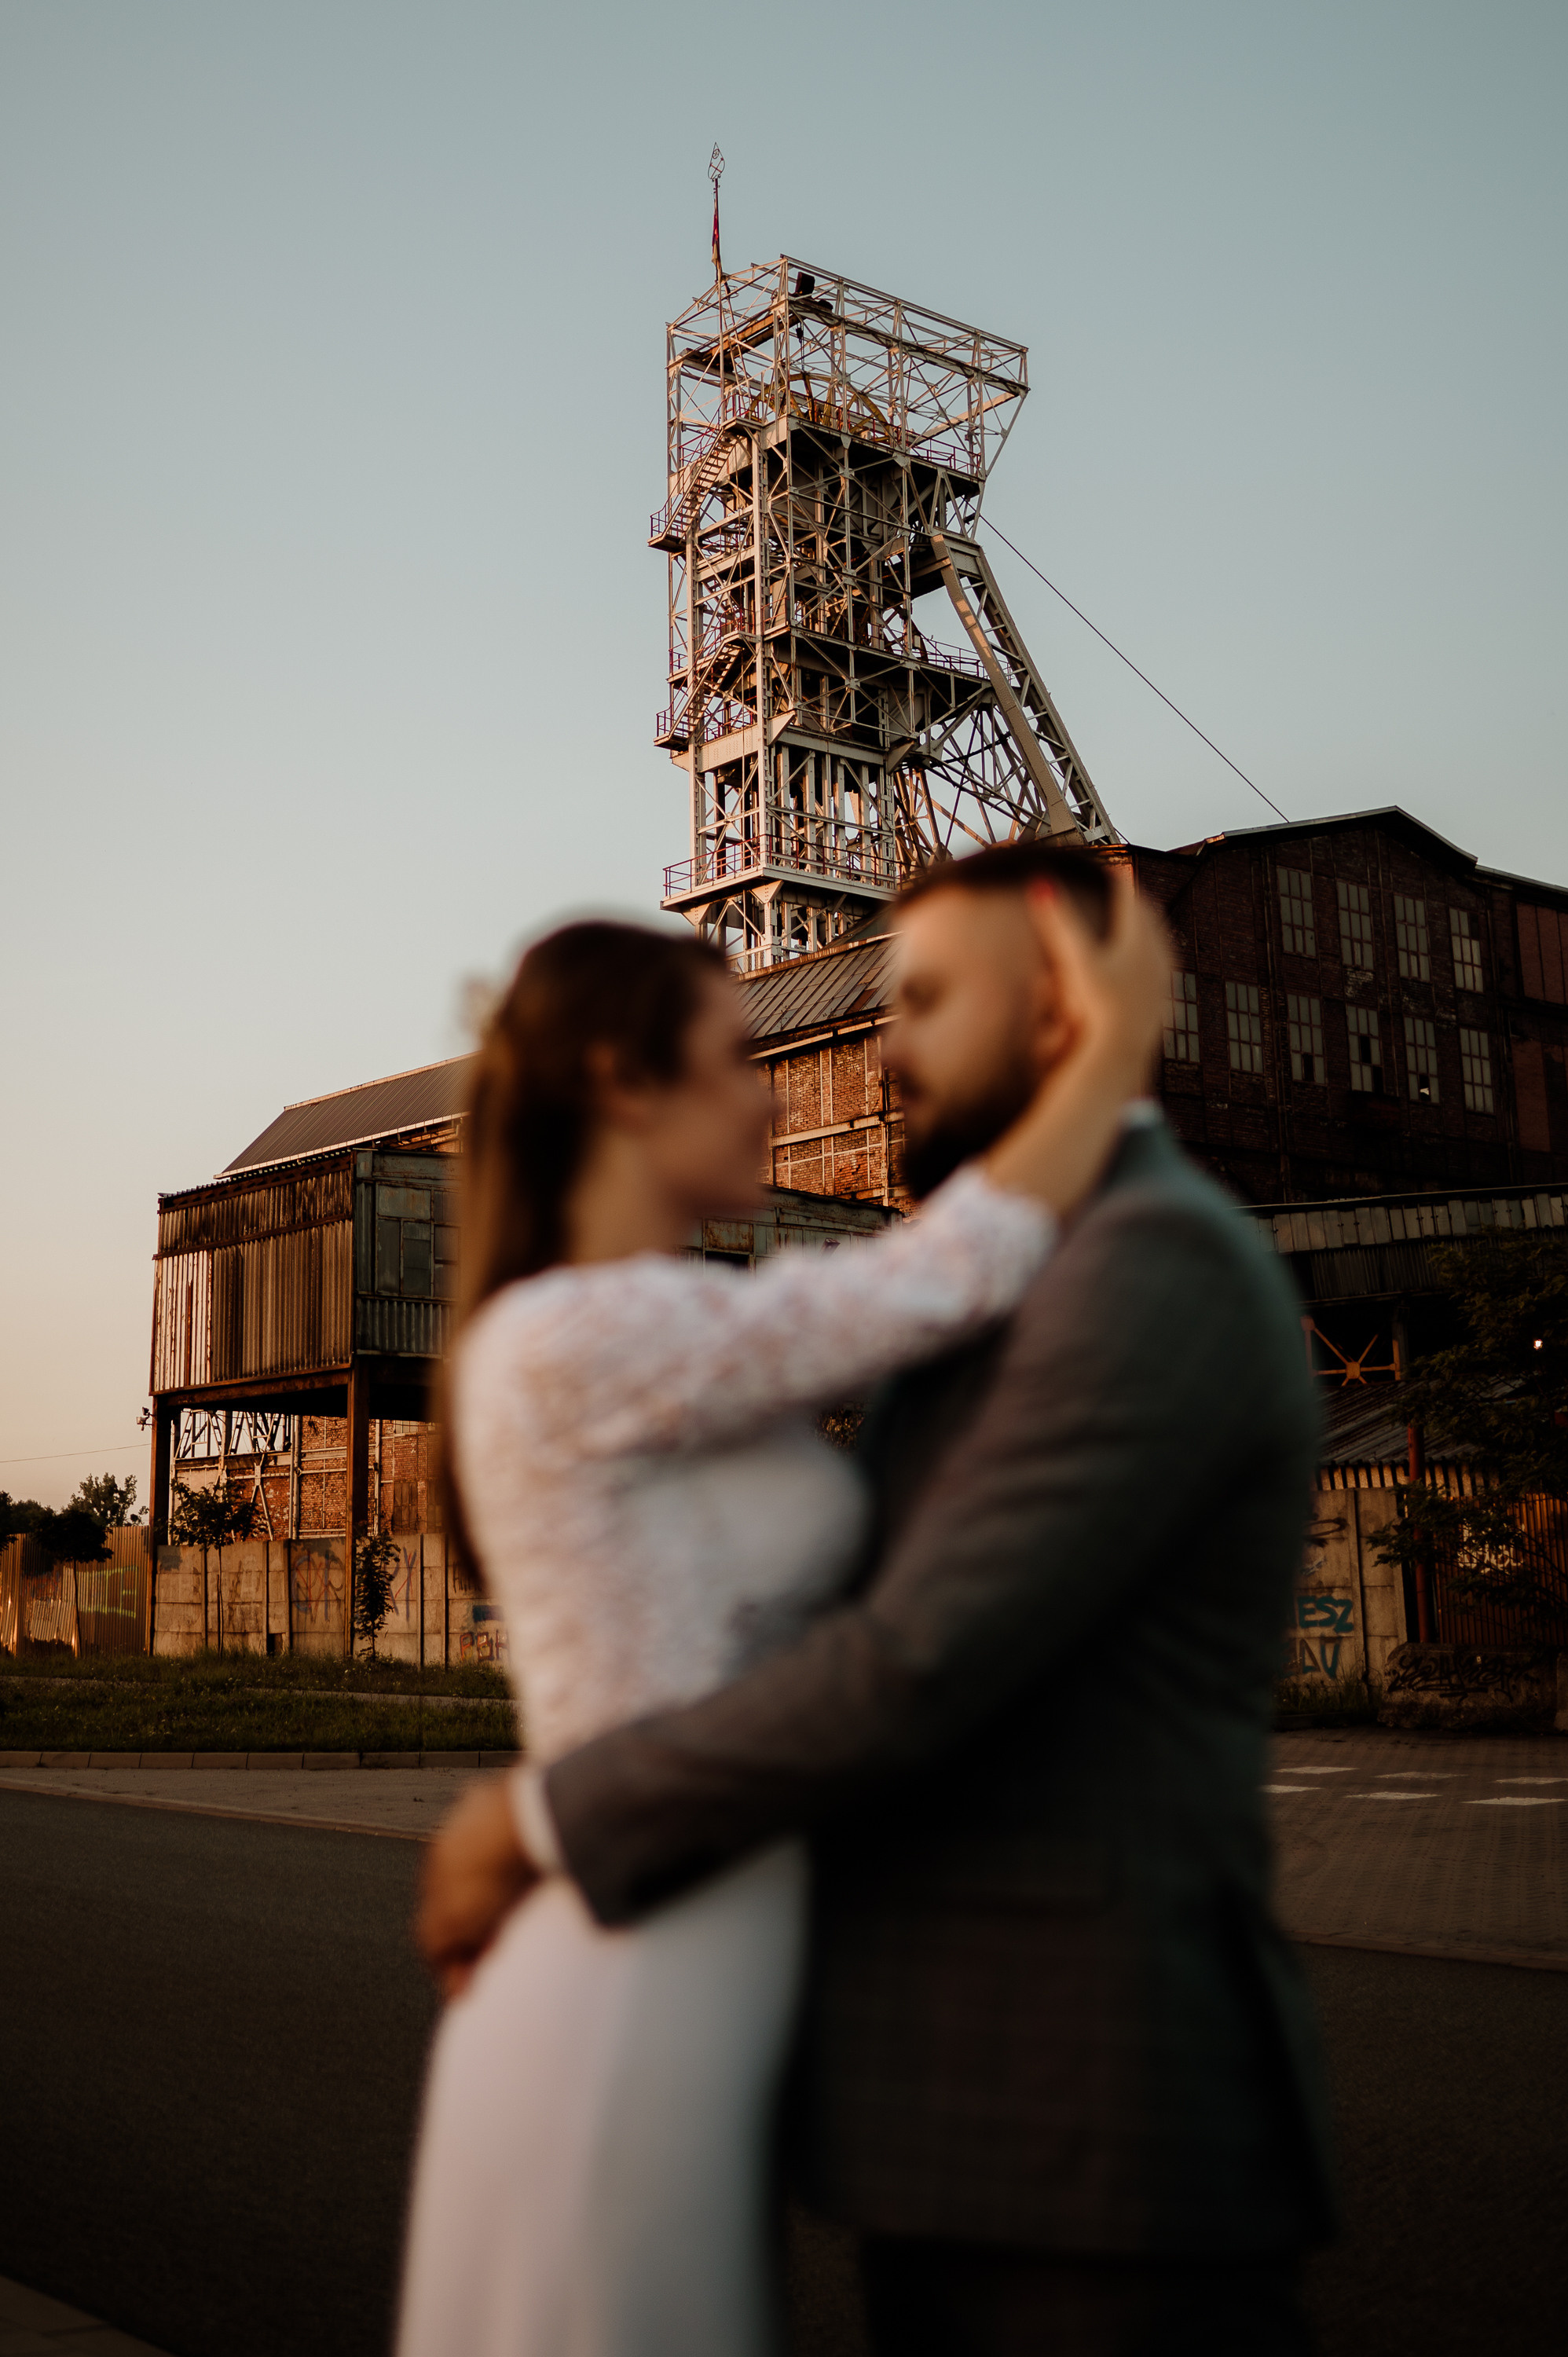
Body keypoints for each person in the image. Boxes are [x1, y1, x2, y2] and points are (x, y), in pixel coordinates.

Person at [419, 840, 1338, 2357]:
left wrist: (536, 1818)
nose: (863, 1052)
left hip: (1075, 2118)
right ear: (622, 1085)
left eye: (917, 999)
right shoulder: (643, 1325)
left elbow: (912, 1661)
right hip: (852, 2060)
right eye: (743, 1055)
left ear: (1054, 1008)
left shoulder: (1138, 1266)